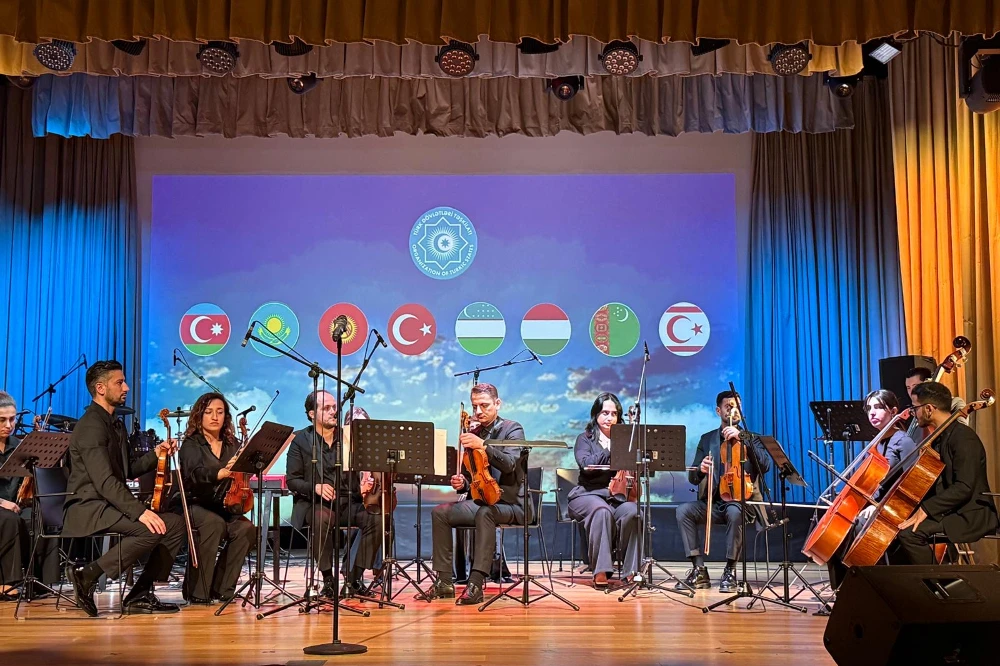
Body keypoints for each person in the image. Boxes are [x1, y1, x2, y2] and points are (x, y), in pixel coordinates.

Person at [63, 360, 185, 616]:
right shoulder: (91, 426)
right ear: (100, 388)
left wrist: (157, 453)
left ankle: (139, 594)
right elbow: (104, 481)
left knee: (174, 525)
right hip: (89, 506)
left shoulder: (114, 423)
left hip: (108, 503)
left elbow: (127, 469)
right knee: (150, 529)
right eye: (119, 382)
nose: (126, 387)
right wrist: (140, 512)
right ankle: (87, 575)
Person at [425, 383, 526, 605]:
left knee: (485, 513)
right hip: (483, 500)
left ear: (497, 404)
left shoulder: (512, 429)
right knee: (440, 513)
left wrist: (484, 445)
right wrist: (462, 483)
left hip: (510, 504)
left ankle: (476, 584)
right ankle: (444, 582)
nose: (478, 411)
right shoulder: (474, 433)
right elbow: (474, 476)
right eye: (475, 406)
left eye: (484, 405)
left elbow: (510, 464)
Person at [888, 381, 998, 565]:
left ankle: (938, 581)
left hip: (970, 513)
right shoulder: (941, 437)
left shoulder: (964, 438)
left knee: (909, 534)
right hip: (949, 509)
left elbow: (964, 487)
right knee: (894, 530)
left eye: (915, 408)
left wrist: (926, 509)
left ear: (929, 409)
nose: (913, 414)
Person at [286, 390, 381, 598]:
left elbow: (368, 465)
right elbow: (292, 480)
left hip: (348, 502)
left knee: (379, 518)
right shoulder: (301, 440)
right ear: (312, 414)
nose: (333, 412)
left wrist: (366, 479)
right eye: (326, 408)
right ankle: (328, 579)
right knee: (321, 519)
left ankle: (354, 578)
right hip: (317, 503)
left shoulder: (347, 437)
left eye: (334, 408)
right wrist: (316, 487)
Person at [675, 390, 771, 592]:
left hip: (742, 502)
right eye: (728, 407)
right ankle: (699, 569)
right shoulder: (707, 439)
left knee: (734, 511)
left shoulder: (752, 438)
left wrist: (743, 438)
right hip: (713, 502)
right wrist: (701, 469)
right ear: (718, 411)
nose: (733, 411)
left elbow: (765, 466)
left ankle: (730, 570)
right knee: (683, 511)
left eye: (737, 407)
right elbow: (693, 478)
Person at [824, 389, 916, 588]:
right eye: (869, 408)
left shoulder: (904, 441)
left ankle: (862, 584)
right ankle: (842, 588)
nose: (872, 412)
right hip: (874, 504)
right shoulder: (876, 443)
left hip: (894, 508)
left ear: (893, 411)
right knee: (835, 527)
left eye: (878, 407)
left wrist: (879, 506)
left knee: (857, 525)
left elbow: (911, 484)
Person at [174, 392, 255, 604]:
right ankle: (197, 592)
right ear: (199, 415)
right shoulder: (192, 444)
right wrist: (219, 473)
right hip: (196, 503)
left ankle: (222, 588)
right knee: (214, 524)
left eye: (219, 412)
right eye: (209, 412)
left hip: (224, 505)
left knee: (246, 528)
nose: (214, 417)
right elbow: (194, 474)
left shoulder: (232, 443)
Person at [567, 392, 639, 588]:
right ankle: (601, 570)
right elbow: (586, 464)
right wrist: (613, 448)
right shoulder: (585, 439)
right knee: (601, 511)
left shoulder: (628, 441)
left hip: (616, 497)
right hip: (586, 495)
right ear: (596, 414)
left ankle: (631, 571)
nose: (609, 418)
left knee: (633, 511)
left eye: (614, 414)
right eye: (605, 413)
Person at [0, 391, 28, 599]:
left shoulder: (19, 447)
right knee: (9, 519)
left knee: (39, 517)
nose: (8, 425)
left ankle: (41, 581)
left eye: (12, 419)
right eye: (2, 420)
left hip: (14, 505)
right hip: (3, 508)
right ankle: (7, 583)